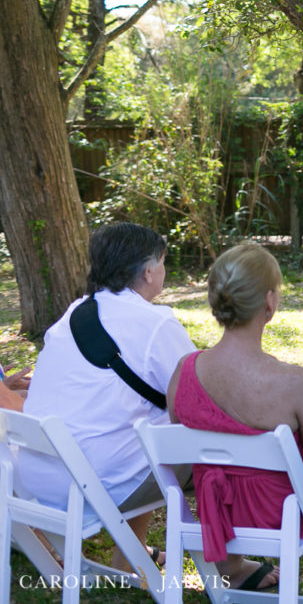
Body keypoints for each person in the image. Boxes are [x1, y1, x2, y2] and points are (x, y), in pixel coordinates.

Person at [165, 242, 303, 597]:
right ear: (269, 301)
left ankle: (231, 566)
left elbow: (188, 446)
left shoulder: (182, 372)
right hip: (282, 512)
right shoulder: (292, 382)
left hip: (221, 510)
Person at [20, 223, 196, 575]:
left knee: (138, 420)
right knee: (211, 443)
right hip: (94, 483)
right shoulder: (154, 323)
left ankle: (130, 556)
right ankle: (231, 565)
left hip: (37, 476)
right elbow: (199, 396)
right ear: (149, 271)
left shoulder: (73, 314)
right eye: (163, 263)